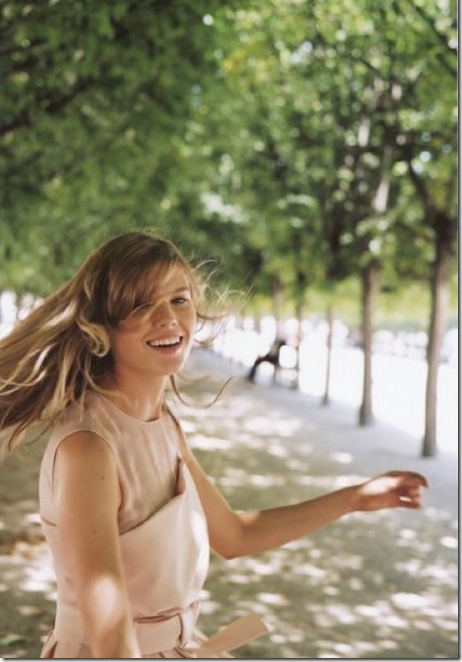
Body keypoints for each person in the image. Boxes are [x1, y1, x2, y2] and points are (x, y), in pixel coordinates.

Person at [0, 230, 429, 659]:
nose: (168, 318)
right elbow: (111, 640)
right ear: (103, 324)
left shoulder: (166, 425)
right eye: (142, 304)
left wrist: (356, 499)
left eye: (179, 299)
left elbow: (236, 536)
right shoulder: (88, 448)